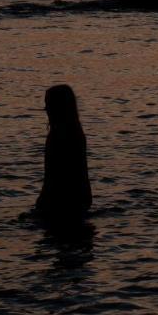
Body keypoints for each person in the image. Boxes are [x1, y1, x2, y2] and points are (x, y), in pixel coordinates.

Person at [36, 84, 92, 222]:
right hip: (81, 199)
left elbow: (51, 177)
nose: (46, 109)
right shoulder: (78, 134)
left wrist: (40, 204)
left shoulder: (56, 136)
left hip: (59, 203)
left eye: (48, 105)